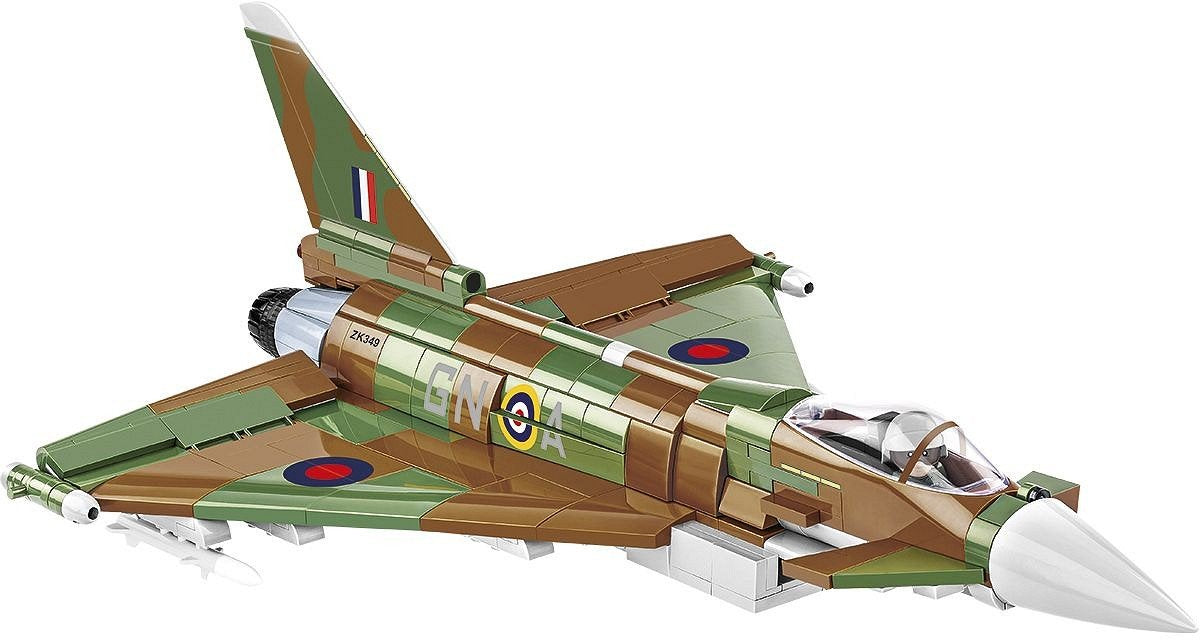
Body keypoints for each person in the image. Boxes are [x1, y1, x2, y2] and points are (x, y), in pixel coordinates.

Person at [880, 411, 949, 486]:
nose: (918, 463)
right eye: (910, 455)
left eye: (925, 453)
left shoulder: (938, 472)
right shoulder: (894, 483)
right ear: (890, 456)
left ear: (941, 452)